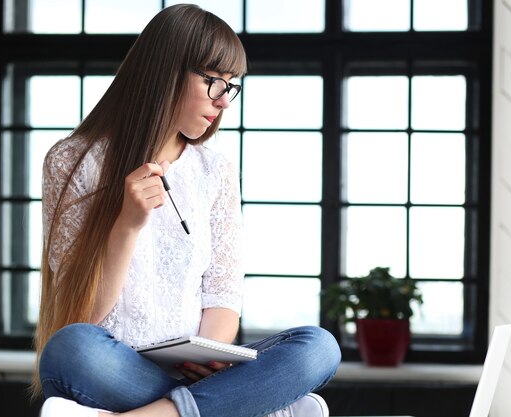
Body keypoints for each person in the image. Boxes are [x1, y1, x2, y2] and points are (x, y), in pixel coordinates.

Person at [34, 4, 341, 417]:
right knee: (71, 349)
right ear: (166, 71)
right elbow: (79, 314)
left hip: (198, 374)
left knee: (318, 346)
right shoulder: (70, 161)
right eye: (214, 81)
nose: (224, 100)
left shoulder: (214, 170)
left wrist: (211, 361)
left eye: (232, 85)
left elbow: (223, 293)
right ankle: (248, 408)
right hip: (116, 369)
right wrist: (127, 225)